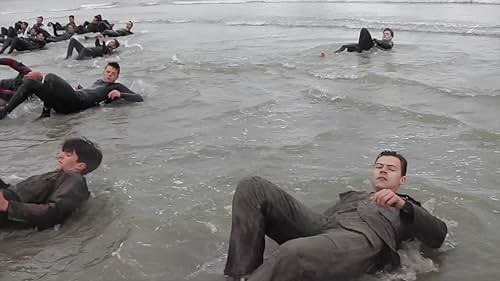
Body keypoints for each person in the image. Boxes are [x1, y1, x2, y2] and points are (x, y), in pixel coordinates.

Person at [223, 151, 447, 281]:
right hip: (325, 226)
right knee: (252, 186)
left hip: (360, 238)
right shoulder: (354, 195)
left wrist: (403, 204)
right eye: (379, 166)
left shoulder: (408, 206)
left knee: (293, 252)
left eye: (391, 168)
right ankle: (240, 275)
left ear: (402, 180)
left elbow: (438, 234)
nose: (383, 170)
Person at [0, 137, 102, 230]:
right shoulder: (62, 175)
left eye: (68, 155)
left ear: (80, 166)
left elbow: (53, 212)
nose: (60, 156)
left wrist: (7, 205)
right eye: (62, 152)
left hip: (9, 208)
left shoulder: (74, 179)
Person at [0, 62, 143, 120]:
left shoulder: (116, 87)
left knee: (50, 77)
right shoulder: (98, 82)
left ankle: (46, 112)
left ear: (117, 76)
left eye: (112, 73)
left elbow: (138, 98)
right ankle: (5, 112)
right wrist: (80, 89)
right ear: (103, 71)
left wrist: (120, 94)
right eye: (107, 71)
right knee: (30, 82)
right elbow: (92, 91)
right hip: (64, 104)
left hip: (77, 102)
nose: (109, 74)